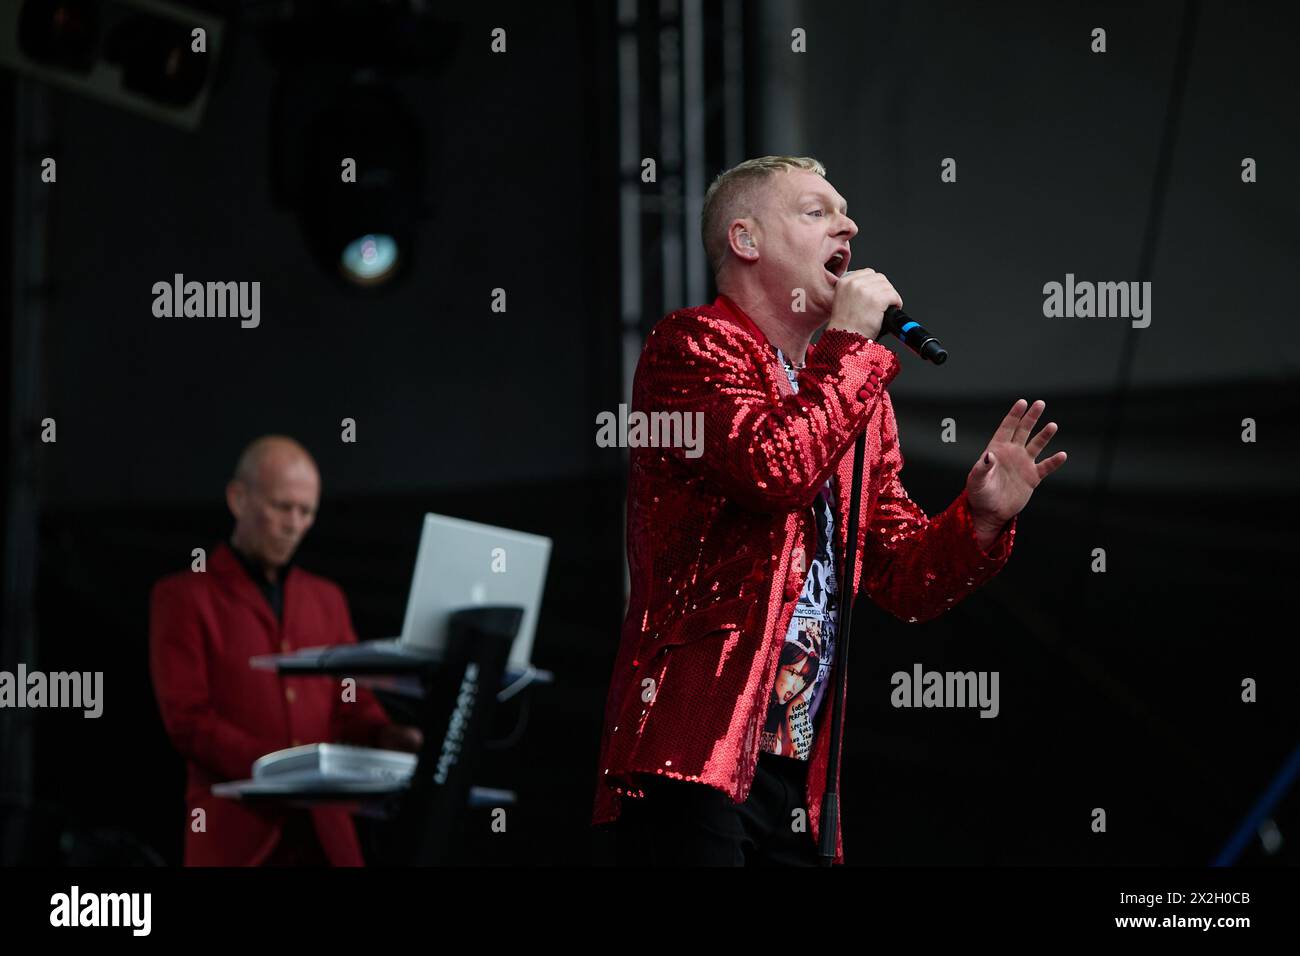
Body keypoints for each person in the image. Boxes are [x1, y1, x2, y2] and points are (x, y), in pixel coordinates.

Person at [593, 156, 1068, 866]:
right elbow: (772, 469)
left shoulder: (854, 398)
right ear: (746, 240)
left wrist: (981, 519)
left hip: (796, 770)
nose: (848, 225)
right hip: (692, 750)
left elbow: (902, 579)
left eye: (844, 212)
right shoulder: (690, 346)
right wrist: (850, 346)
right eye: (816, 211)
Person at [149, 435, 423, 866]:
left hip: (326, 839)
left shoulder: (326, 598)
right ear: (239, 499)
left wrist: (386, 738)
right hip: (237, 837)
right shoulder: (184, 596)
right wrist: (282, 770)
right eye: (282, 507)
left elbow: (351, 705)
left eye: (306, 511)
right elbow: (188, 721)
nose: (294, 523)